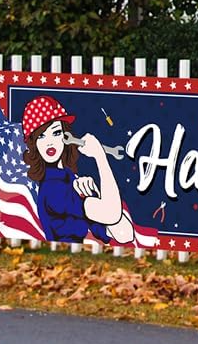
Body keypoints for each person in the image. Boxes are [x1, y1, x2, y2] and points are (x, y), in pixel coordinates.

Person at [20, 94, 135, 245]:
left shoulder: (70, 179)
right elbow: (111, 214)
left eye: (56, 133)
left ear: (66, 135)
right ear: (33, 144)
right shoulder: (53, 189)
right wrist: (100, 157)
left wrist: (96, 194)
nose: (49, 143)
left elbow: (125, 234)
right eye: (41, 136)